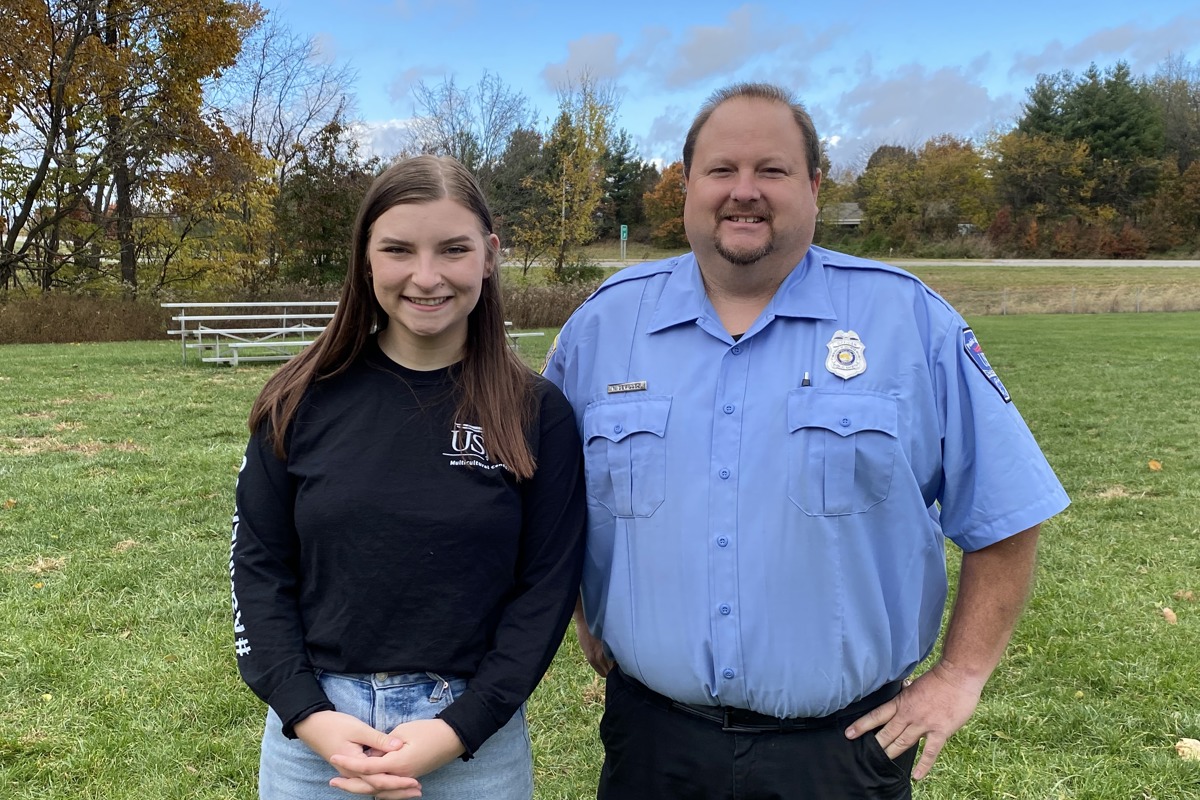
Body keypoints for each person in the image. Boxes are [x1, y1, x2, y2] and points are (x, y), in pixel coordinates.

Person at [542, 83, 1070, 799]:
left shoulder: (909, 321)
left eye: (774, 170)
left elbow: (1006, 510)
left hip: (841, 757)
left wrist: (960, 675)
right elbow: (553, 500)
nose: (744, 192)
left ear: (815, 185)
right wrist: (584, 613)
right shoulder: (604, 328)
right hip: (652, 747)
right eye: (721, 170)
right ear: (688, 183)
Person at [230, 154, 586, 800]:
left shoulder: (538, 415)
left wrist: (455, 730)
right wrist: (309, 716)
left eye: (453, 249)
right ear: (366, 258)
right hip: (317, 744)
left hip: (473, 745)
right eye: (398, 250)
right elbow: (257, 572)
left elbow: (546, 594)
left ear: (489, 255)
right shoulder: (296, 402)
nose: (427, 277)